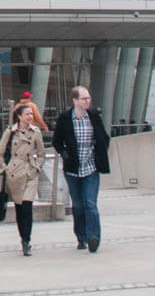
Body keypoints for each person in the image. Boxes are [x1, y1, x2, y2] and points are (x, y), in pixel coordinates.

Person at [51, 85, 110, 253]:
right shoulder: (65, 118)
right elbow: (56, 142)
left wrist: (100, 153)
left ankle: (94, 237)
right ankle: (81, 236)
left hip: (91, 167)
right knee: (78, 205)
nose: (88, 101)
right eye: (84, 99)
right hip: (73, 169)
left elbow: (104, 137)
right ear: (75, 100)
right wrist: (64, 153)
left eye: (89, 98)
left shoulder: (93, 117)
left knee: (90, 203)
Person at [0, 101, 45, 256]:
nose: (30, 116)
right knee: (19, 208)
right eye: (27, 114)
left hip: (30, 172)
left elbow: (42, 153)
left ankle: (27, 240)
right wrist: (3, 168)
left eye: (31, 114)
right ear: (19, 116)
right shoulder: (10, 132)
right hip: (14, 173)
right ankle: (23, 238)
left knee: (27, 206)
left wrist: (37, 166)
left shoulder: (35, 132)